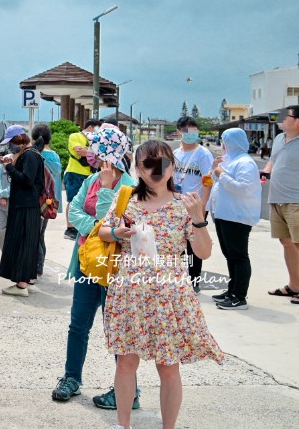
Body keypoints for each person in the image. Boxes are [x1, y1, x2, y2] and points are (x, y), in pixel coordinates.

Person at [100, 139, 223, 429]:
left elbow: (204, 252)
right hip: (129, 291)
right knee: (126, 362)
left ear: (172, 167)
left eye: (163, 162)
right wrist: (117, 233)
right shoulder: (126, 200)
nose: (156, 169)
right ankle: (123, 425)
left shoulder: (186, 204)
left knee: (168, 367)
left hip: (169, 295)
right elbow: (104, 230)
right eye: (148, 163)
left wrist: (198, 220)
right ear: (138, 169)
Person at [50, 126, 138, 411]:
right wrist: (96, 231)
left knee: (115, 329)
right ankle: (71, 378)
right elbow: (73, 212)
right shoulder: (90, 181)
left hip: (113, 268)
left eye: (97, 151)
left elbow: (112, 221)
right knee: (78, 324)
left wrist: (104, 201)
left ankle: (128, 391)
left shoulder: (128, 186)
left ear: (109, 154)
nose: (92, 155)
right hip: (87, 262)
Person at [208, 128, 262, 310]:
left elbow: (244, 188)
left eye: (224, 141)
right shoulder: (230, 160)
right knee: (230, 255)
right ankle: (231, 291)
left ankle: (239, 296)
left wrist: (221, 174)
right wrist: (216, 169)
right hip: (224, 214)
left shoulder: (245, 163)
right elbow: (215, 182)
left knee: (239, 256)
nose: (222, 145)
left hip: (237, 216)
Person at [262, 105, 299, 304]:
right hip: (277, 199)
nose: (280, 118)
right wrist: (266, 170)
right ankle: (294, 285)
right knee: (286, 242)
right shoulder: (280, 139)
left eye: (285, 116)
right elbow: (273, 161)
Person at [0, 125, 45, 296]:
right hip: (25, 205)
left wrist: (9, 167)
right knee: (26, 242)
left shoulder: (30, 155)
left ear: (20, 140)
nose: (11, 147)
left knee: (24, 243)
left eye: (12, 142)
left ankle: (22, 285)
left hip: (26, 206)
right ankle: (25, 281)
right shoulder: (28, 154)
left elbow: (26, 180)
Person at [173, 115, 214, 292]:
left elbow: (207, 181)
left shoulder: (203, 154)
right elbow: (164, 175)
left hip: (194, 205)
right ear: (178, 132)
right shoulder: (174, 153)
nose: (190, 134)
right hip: (176, 204)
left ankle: (194, 281)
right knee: (175, 242)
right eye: (186, 131)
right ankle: (177, 277)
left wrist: (203, 206)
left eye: (193, 131)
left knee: (194, 244)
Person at [31, 124, 62, 276]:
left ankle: (37, 268)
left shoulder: (36, 155)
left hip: (37, 201)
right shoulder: (55, 156)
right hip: (49, 203)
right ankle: (40, 267)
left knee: (35, 237)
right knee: (41, 235)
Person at [64, 119, 99, 240]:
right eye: (96, 129)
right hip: (74, 173)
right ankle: (70, 229)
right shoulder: (75, 136)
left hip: (89, 174)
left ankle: (80, 226)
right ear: (90, 127)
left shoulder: (95, 140)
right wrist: (93, 152)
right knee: (73, 200)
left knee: (86, 202)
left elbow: (87, 152)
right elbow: (79, 151)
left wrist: (89, 151)